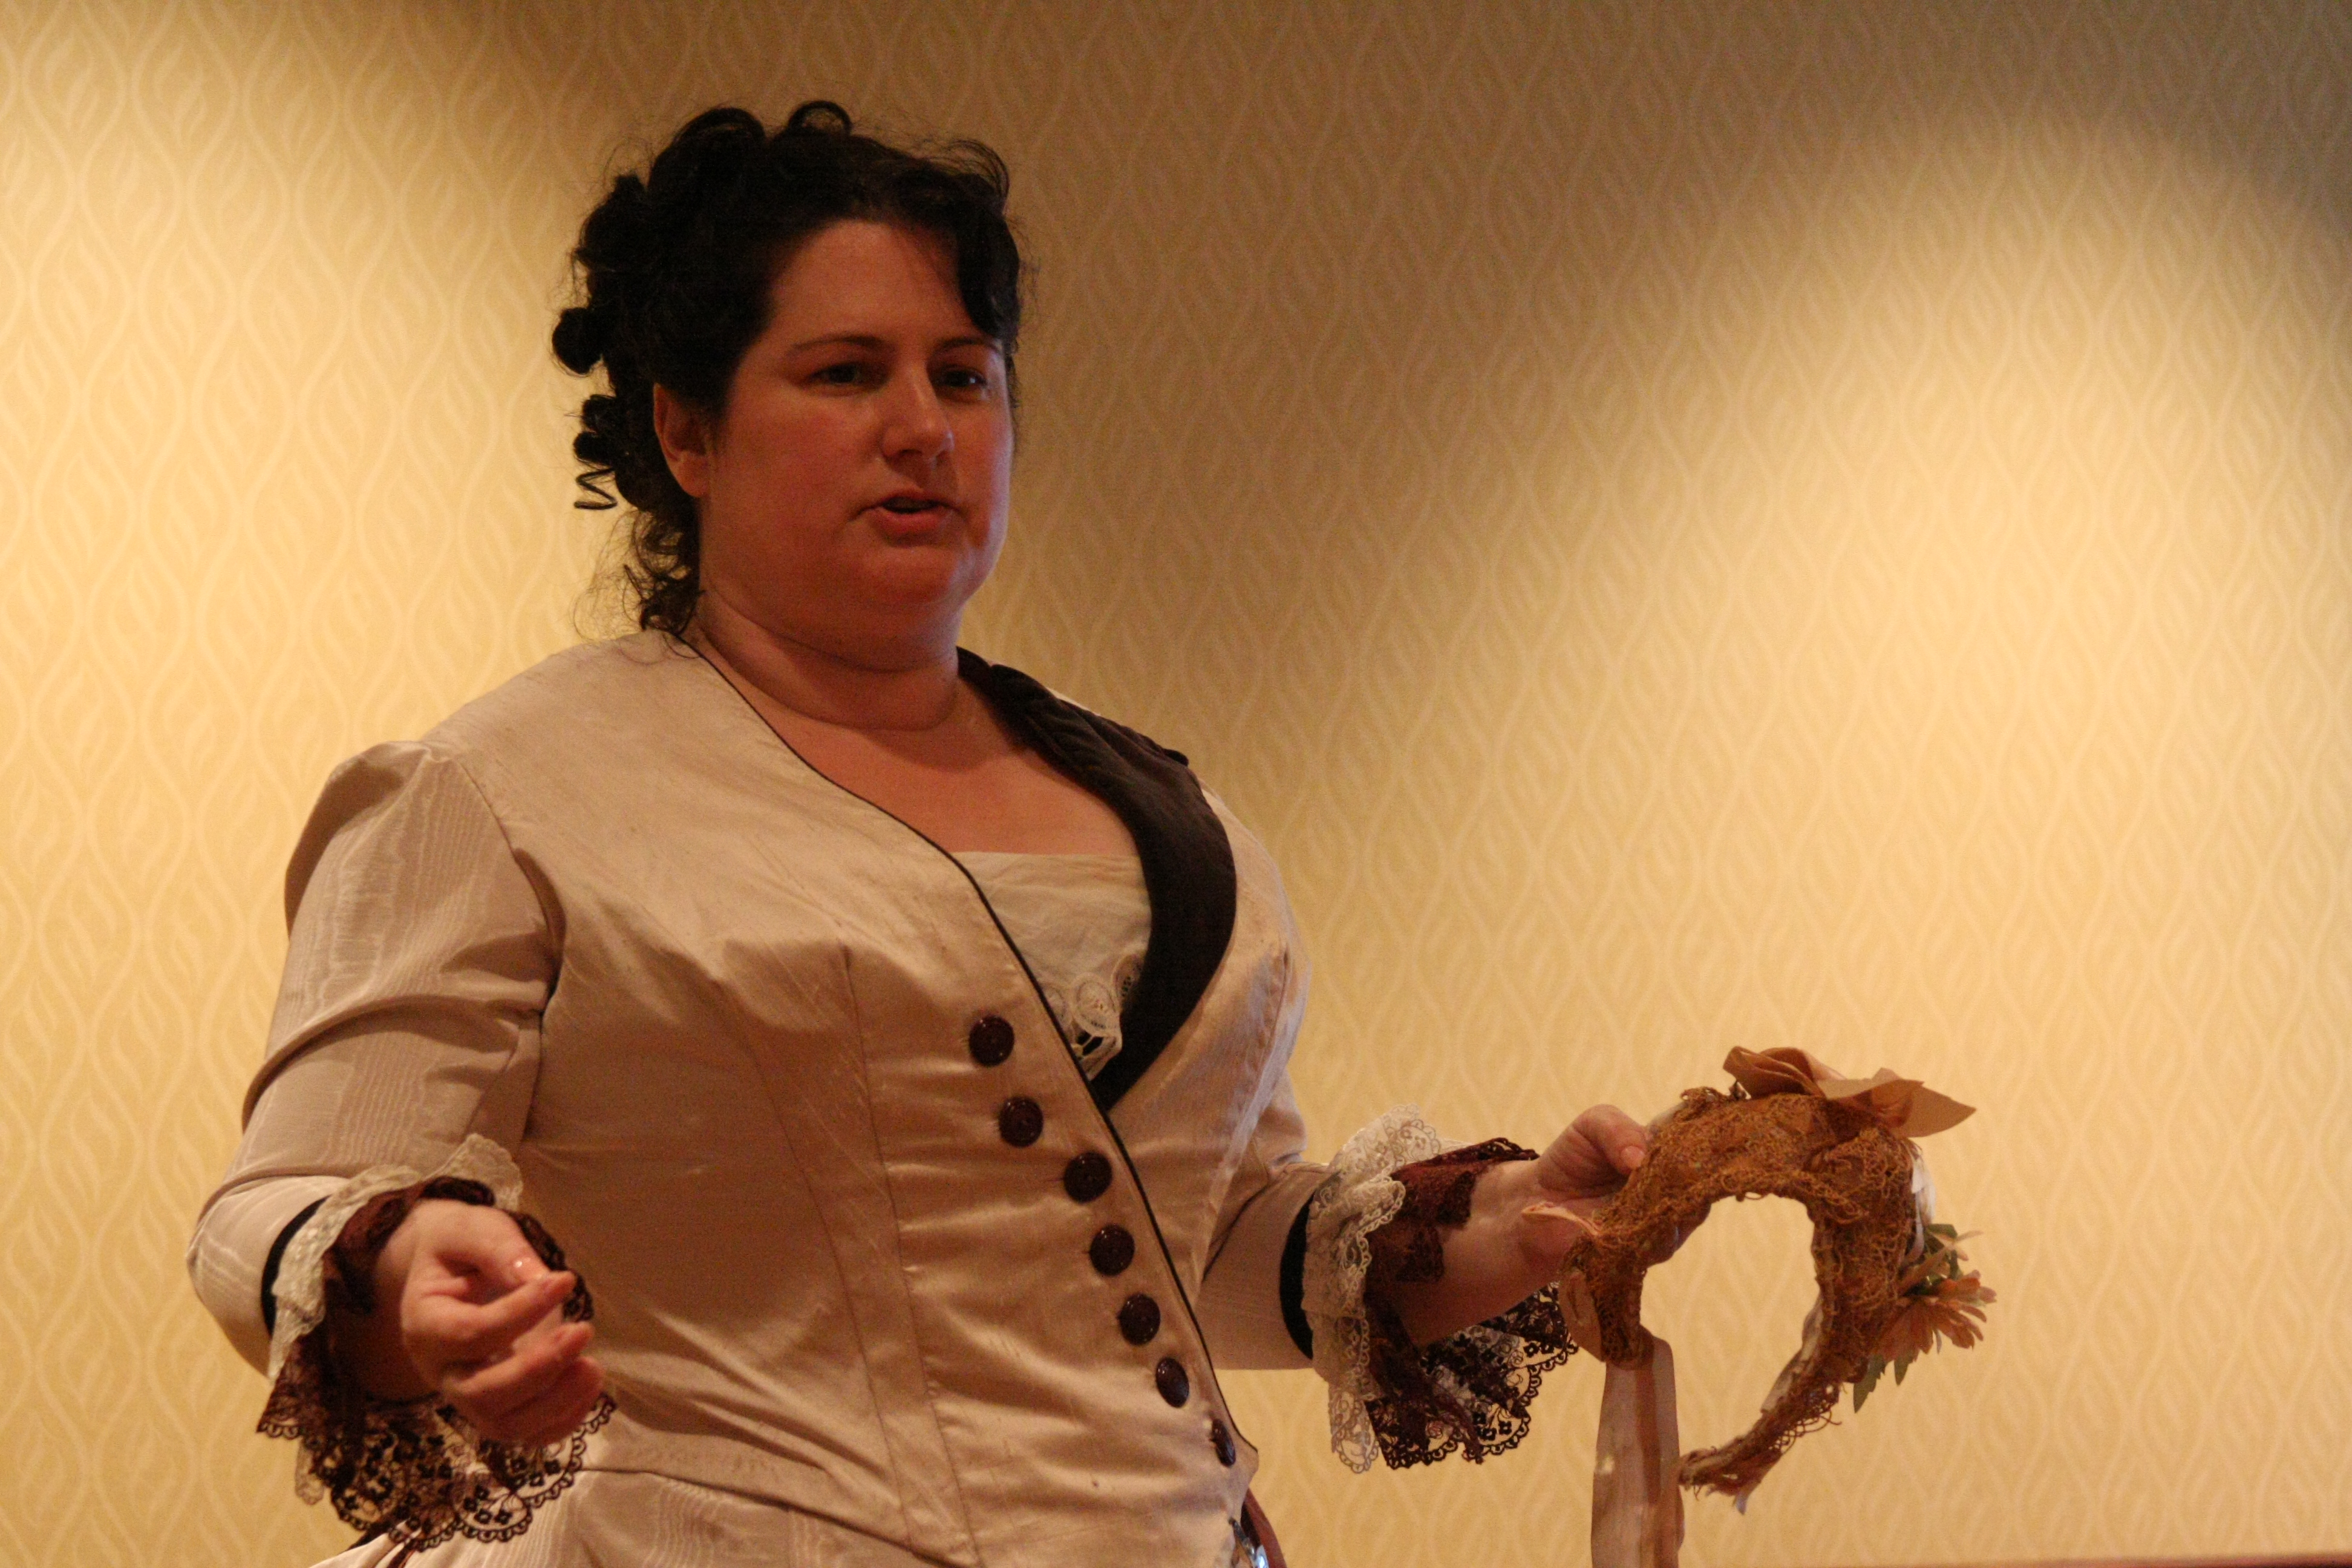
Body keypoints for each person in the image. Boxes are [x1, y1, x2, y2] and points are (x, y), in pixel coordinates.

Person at [189, 102, 1658, 1568]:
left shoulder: (1164, 808)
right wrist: (405, 1271)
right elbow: (277, 1204)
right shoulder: (507, 788)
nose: (923, 428)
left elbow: (1205, 1245)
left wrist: (1519, 1220)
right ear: (687, 432)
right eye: (844, 373)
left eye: (964, 375)